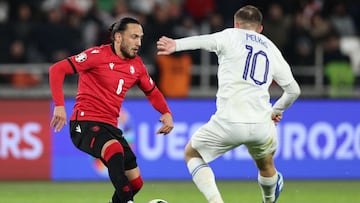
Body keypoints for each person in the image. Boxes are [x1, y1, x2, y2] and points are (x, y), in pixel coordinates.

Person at [157, 5, 300, 203]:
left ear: (236, 24)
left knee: (192, 153)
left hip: (228, 122)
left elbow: (203, 41)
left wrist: (176, 45)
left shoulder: (230, 35)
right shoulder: (270, 47)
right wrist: (276, 110)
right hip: (261, 124)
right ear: (260, 29)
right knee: (266, 164)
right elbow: (294, 91)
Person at [49, 17, 174, 203]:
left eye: (140, 37)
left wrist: (166, 112)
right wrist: (59, 105)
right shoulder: (96, 55)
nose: (139, 42)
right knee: (114, 149)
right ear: (117, 37)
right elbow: (57, 70)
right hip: (83, 124)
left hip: (110, 127)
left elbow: (152, 92)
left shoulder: (137, 66)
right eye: (133, 37)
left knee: (136, 183)